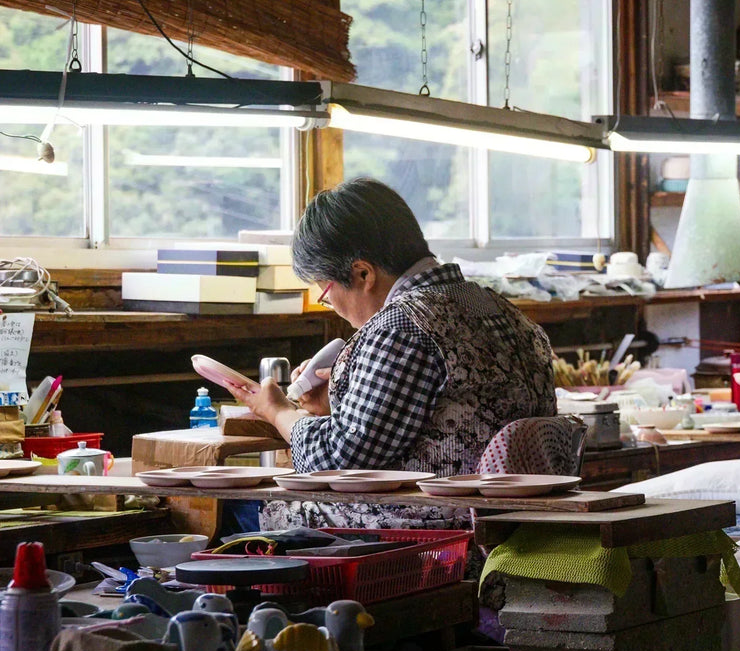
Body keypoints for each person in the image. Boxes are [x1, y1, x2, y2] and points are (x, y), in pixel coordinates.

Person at [223, 177, 556, 529]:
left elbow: (338, 460)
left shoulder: (401, 325)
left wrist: (277, 412)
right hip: (508, 526)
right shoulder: (498, 307)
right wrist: (336, 406)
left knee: (235, 507)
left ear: (363, 273)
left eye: (326, 292)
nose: (331, 305)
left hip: (431, 534)